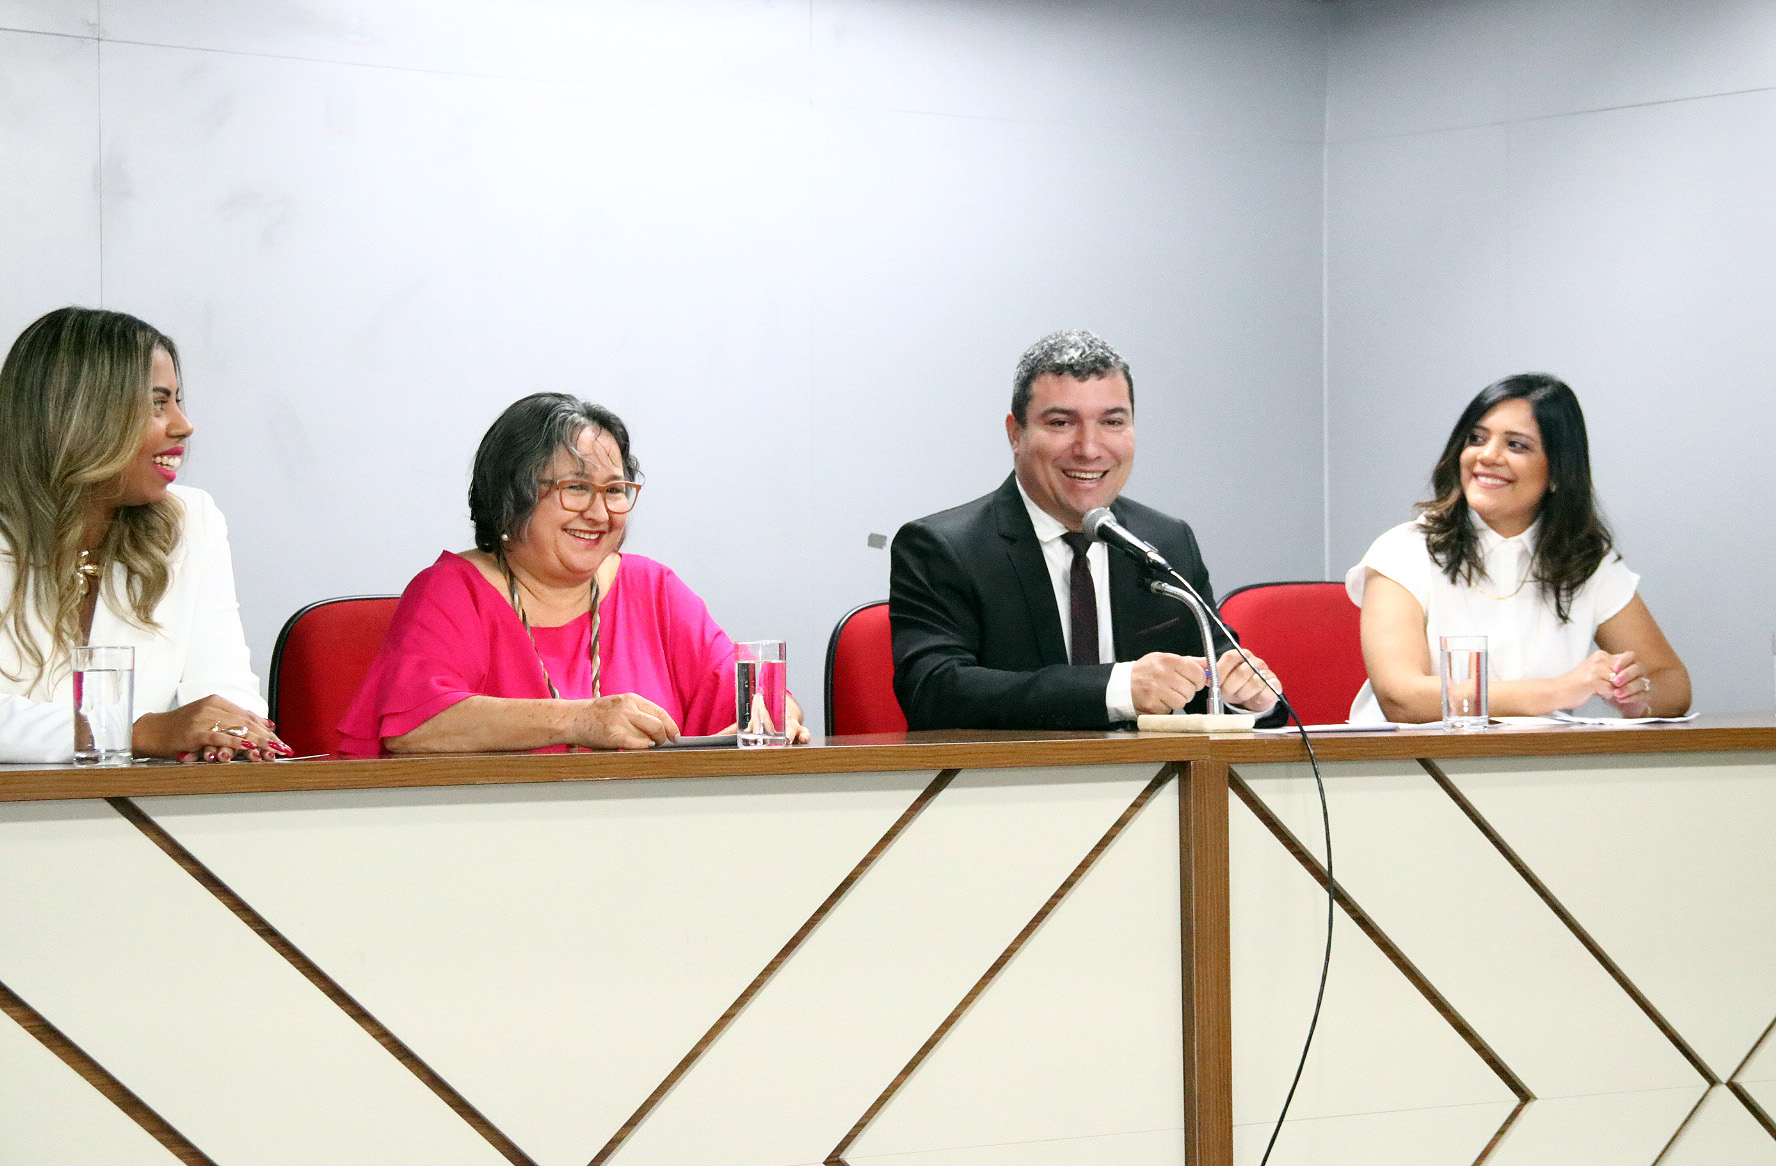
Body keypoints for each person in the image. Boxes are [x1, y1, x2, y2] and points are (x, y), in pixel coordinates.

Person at [337, 393, 808, 756]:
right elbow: (415, 727)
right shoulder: (453, 591)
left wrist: (777, 715)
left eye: (615, 490)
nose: (600, 513)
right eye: (577, 488)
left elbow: (754, 700)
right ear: (511, 497)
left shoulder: (654, 590)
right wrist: (579, 721)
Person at [890, 330, 1282, 731]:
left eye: (1112, 422)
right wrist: (1116, 689)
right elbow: (933, 692)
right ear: (1015, 434)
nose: (1089, 449)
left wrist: (1246, 696)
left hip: (1154, 772)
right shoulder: (943, 548)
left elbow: (1215, 674)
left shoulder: (1165, 542)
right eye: (1061, 423)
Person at [0, 307, 284, 763]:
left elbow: (224, 686)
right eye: (157, 404)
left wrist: (224, 734)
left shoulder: (191, 520)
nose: (183, 425)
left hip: (144, 799)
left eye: (177, 401)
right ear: (78, 414)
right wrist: (136, 730)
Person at [1348, 373, 1690, 723]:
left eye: (1516, 445)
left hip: (1535, 757)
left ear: (1557, 473)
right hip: (1413, 756)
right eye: (1476, 438)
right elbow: (1402, 698)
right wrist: (1559, 691)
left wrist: (1637, 696)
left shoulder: (1584, 560)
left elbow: (1672, 683)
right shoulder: (1402, 551)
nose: (1487, 456)